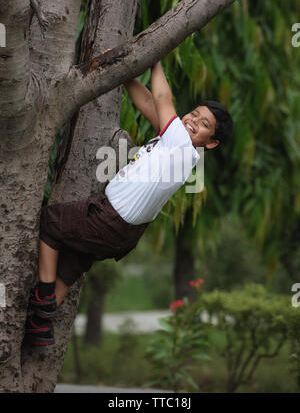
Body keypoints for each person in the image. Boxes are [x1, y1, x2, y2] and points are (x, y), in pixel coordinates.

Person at [24, 61, 234, 346]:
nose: (193, 121)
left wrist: (155, 58)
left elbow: (162, 98)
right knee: (70, 266)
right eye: (194, 113)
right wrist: (125, 75)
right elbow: (149, 101)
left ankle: (44, 295)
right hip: (122, 232)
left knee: (50, 222)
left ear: (211, 143)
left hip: (110, 219)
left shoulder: (182, 147)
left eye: (203, 124)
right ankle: (39, 327)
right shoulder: (174, 143)